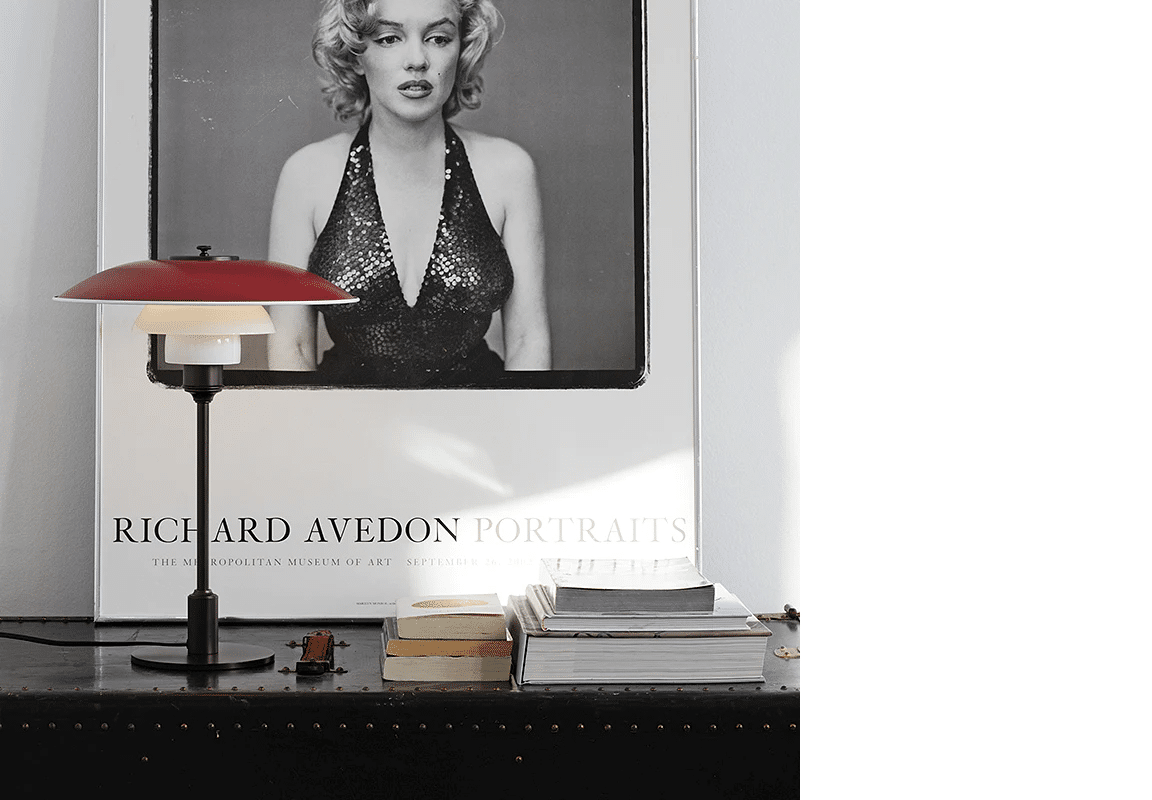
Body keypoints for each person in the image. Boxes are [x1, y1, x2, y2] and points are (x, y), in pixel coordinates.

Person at [267, 0, 550, 386]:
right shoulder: (306, 174)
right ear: (356, 53)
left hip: (480, 418)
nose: (417, 60)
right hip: (341, 418)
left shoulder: (509, 170)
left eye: (439, 38)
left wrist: (519, 424)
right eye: (389, 38)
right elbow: (292, 347)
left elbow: (527, 341)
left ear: (461, 49)